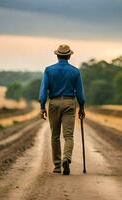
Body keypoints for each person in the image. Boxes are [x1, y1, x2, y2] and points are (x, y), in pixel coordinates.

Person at [39, 44, 86, 175]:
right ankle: (67, 158)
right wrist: (81, 107)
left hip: (53, 103)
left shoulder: (49, 70)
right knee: (68, 136)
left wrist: (42, 107)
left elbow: (43, 90)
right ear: (69, 56)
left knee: (55, 135)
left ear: (57, 55)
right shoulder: (75, 71)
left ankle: (57, 166)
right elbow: (80, 93)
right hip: (70, 103)